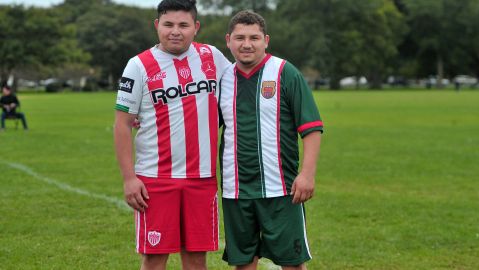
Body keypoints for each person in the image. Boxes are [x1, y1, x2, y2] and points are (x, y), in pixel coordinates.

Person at [113, 0, 230, 269]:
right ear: (157, 25)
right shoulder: (138, 65)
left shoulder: (212, 56)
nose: (175, 31)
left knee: (196, 257)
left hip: (201, 177)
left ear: (196, 27)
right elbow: (122, 124)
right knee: (154, 257)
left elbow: (238, 88)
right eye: (168, 24)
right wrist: (129, 178)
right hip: (155, 179)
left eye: (183, 25)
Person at [218, 10, 323, 269]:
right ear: (228, 40)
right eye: (240, 37)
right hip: (236, 189)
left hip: (281, 189)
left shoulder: (285, 73)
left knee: (293, 262)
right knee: (243, 263)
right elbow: (198, 121)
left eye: (254, 37)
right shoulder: (221, 80)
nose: (246, 44)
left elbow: (311, 128)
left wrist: (307, 174)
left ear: (266, 40)